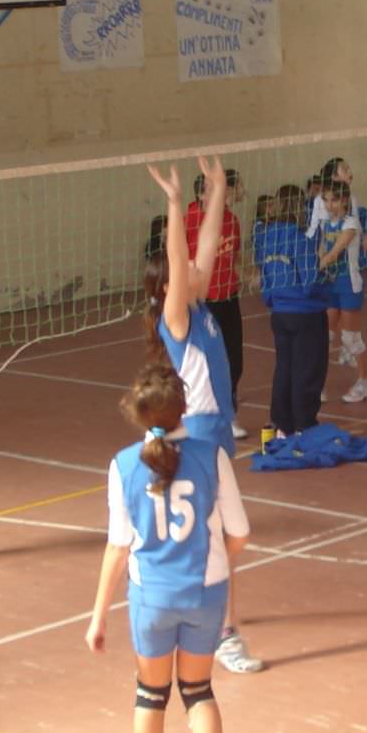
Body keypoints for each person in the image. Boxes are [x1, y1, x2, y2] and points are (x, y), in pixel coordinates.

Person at [86, 362, 250, 733]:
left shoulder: (122, 465)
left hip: (151, 597)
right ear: (186, 408)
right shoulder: (212, 455)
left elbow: (118, 546)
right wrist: (215, 559)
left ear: (138, 415)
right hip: (205, 590)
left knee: (150, 696)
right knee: (198, 692)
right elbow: (239, 533)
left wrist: (98, 617)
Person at [149, 158, 261, 675]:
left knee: (220, 537)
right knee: (217, 538)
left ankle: (207, 615)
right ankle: (225, 633)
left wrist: (216, 190)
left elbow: (208, 248)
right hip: (196, 439)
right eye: (187, 271)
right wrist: (175, 205)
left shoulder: (204, 310)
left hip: (214, 435)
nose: (199, 267)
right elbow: (181, 258)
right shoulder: (178, 319)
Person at [255, 183, 330, 442]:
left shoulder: (264, 235)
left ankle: (281, 424)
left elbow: (263, 272)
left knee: (284, 368)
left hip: (279, 311)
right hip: (305, 312)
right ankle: (304, 423)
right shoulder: (300, 238)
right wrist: (326, 275)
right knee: (307, 369)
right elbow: (309, 279)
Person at [186, 166, 248, 443]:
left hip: (229, 296)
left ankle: (229, 414)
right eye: (214, 189)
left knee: (234, 360)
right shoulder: (190, 220)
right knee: (206, 362)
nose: (223, 194)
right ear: (201, 194)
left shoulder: (232, 220)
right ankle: (205, 417)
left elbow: (233, 256)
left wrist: (246, 275)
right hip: (203, 302)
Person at [318, 181, 367, 404]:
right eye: (326, 200)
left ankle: (364, 383)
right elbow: (322, 250)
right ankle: (318, 384)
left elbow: (333, 254)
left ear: (343, 200)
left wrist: (312, 269)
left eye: (333, 199)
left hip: (349, 285)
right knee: (325, 337)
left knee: (351, 338)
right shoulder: (325, 224)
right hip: (330, 284)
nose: (329, 205)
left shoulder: (350, 223)